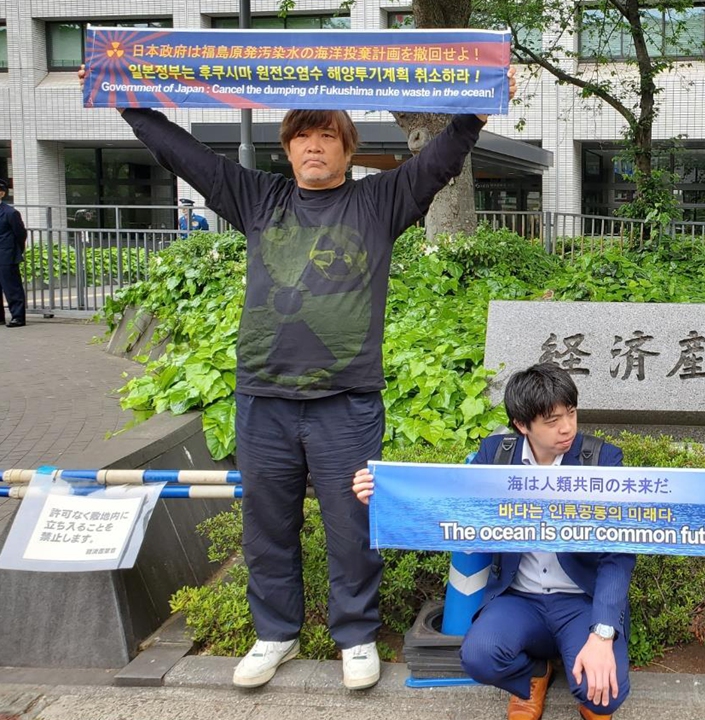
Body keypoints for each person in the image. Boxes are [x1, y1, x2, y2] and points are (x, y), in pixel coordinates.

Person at [80, 64, 516, 691]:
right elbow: (189, 157)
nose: (314, 146)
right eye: (302, 136)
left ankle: (357, 637)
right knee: (267, 526)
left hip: (347, 402)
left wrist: (474, 113)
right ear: (287, 148)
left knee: (351, 525)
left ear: (346, 148)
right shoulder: (258, 199)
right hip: (265, 398)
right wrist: (130, 108)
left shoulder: (377, 200)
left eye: (328, 136)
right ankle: (274, 634)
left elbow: (435, 165)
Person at [353, 363, 635, 720]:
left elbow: (618, 553)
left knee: (604, 697)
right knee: (479, 657)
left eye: (572, 413)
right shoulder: (496, 456)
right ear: (522, 425)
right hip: (518, 600)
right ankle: (533, 675)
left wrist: (602, 633)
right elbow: (449, 510)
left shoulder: (603, 460)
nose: (567, 428)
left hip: (580, 600)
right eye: (551, 420)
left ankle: (584, 679)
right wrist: (383, 497)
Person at [0, 180, 28, 328]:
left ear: (2, 193)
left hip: (6, 254)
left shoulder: (10, 212)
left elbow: (20, 233)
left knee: (11, 287)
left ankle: (18, 317)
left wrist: (15, 250)